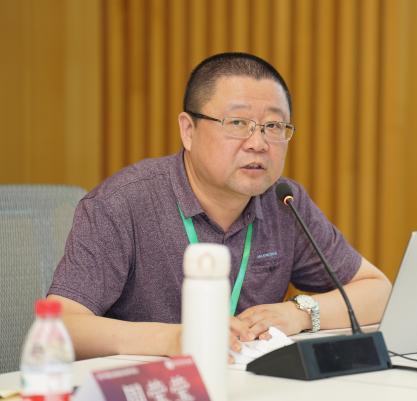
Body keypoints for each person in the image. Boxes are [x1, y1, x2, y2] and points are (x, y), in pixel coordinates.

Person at [47, 52, 391, 360]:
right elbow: (58, 326)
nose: (258, 143)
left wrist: (299, 313)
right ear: (188, 131)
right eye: (238, 123)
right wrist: (175, 339)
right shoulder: (122, 203)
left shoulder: (283, 201)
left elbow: (378, 291)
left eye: (273, 126)